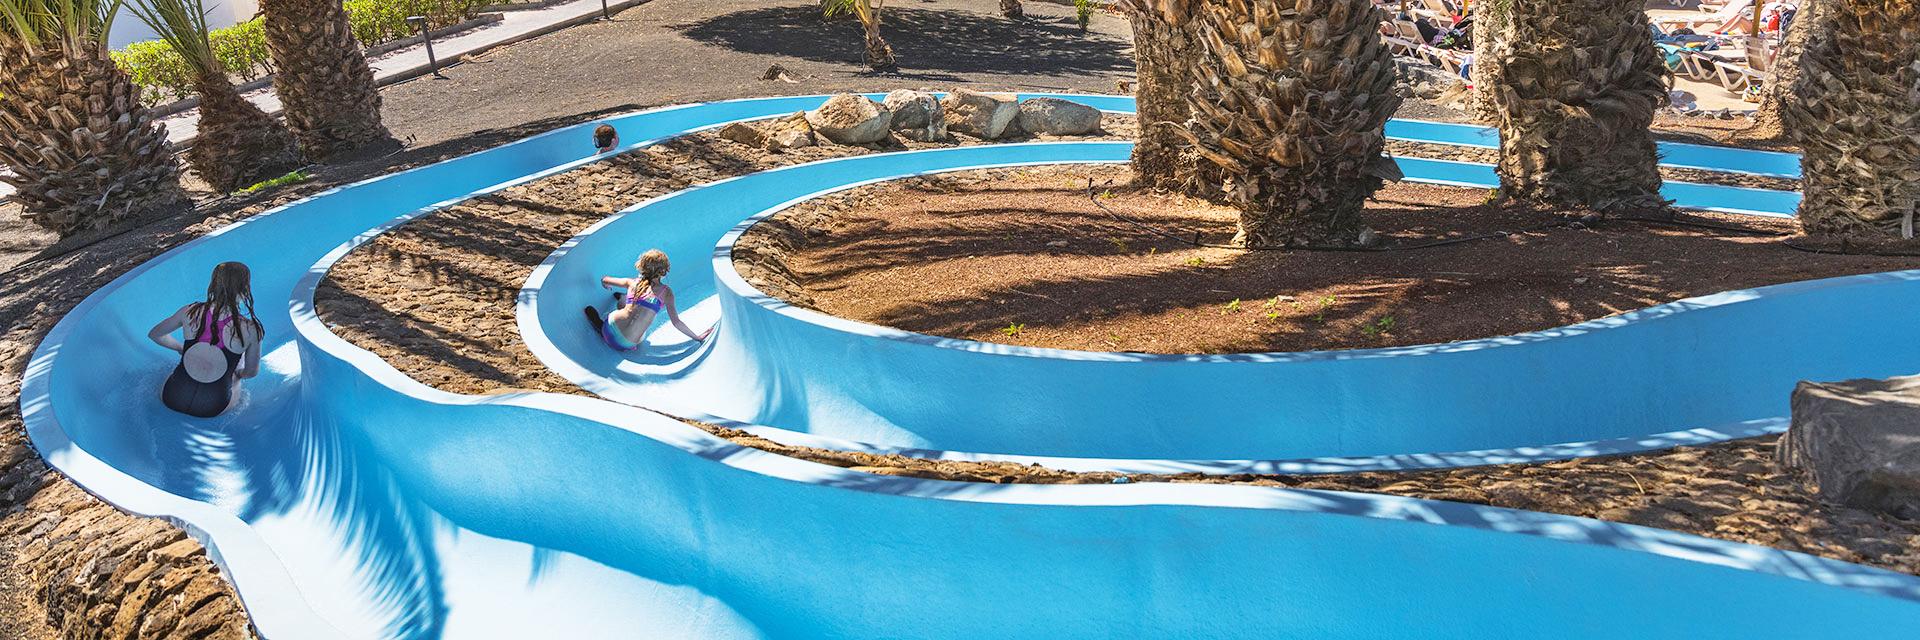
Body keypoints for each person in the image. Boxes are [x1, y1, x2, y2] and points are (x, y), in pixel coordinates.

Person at [149, 262, 263, 418]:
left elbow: (155, 334)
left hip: (171, 396)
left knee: (191, 361)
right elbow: (251, 372)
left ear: (213, 285)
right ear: (245, 289)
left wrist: (180, 348)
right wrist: (238, 374)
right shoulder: (250, 329)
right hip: (213, 406)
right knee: (238, 369)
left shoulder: (189, 311)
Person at [584, 249, 710, 352]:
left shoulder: (632, 282)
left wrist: (605, 284)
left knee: (625, 306)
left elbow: (605, 279)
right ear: (665, 271)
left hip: (609, 330)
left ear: (641, 267)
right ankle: (622, 299)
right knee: (640, 331)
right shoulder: (667, 293)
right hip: (627, 344)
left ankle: (604, 320)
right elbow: (676, 322)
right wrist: (697, 337)